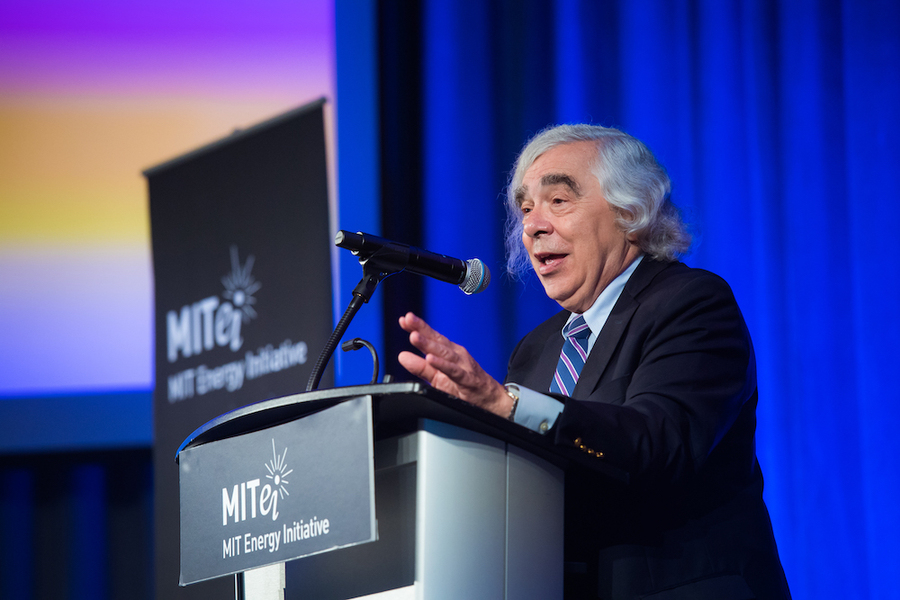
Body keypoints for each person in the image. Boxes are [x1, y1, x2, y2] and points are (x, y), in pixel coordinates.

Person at [398, 124, 791, 599]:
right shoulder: (535, 349)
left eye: (558, 200)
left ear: (632, 212)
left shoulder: (692, 303)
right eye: (526, 209)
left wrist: (510, 407)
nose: (532, 226)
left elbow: (660, 441)